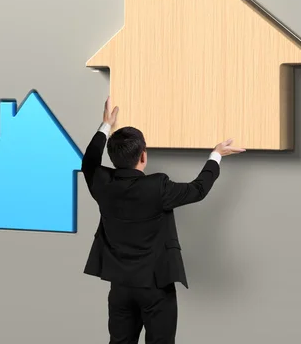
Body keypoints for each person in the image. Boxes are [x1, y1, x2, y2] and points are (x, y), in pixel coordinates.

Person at [81, 96, 245, 343]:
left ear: (113, 158)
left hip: (120, 286)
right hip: (155, 287)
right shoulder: (156, 186)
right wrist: (216, 155)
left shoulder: (101, 183)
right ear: (143, 156)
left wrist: (105, 125)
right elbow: (198, 190)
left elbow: (89, 161)